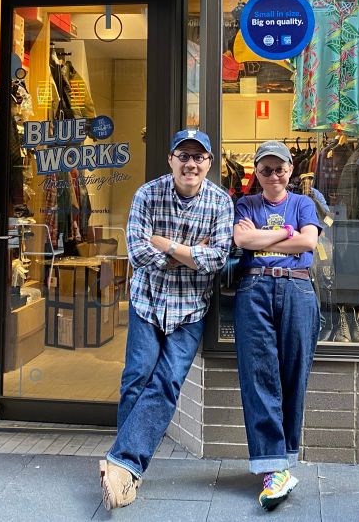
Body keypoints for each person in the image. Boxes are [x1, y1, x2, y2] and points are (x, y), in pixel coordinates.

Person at [100, 129, 234, 510]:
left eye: (199, 157)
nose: (191, 163)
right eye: (183, 156)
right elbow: (137, 252)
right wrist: (191, 252)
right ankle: (124, 468)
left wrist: (166, 244)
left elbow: (217, 259)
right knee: (136, 380)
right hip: (148, 302)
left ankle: (121, 465)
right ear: (170, 160)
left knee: (167, 382)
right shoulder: (147, 194)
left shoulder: (221, 203)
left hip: (190, 309)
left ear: (209, 162)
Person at [232, 140, 321, 510]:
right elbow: (242, 239)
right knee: (259, 375)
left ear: (290, 169)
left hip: (298, 286)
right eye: (265, 170)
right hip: (254, 287)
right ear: (257, 173)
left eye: (279, 168)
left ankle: (283, 461)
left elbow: (310, 242)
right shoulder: (245, 203)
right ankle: (273, 468)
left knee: (292, 372)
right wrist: (288, 234)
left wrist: (267, 238)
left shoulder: (304, 203)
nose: (273, 176)